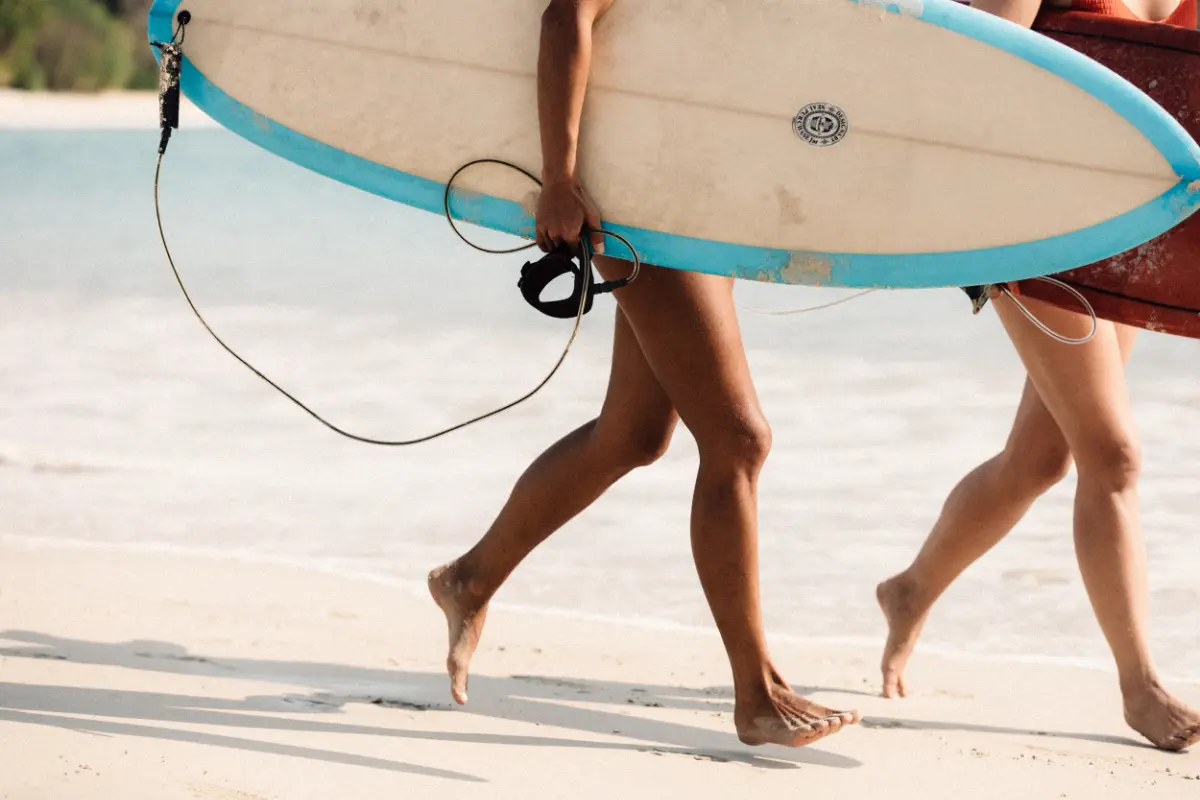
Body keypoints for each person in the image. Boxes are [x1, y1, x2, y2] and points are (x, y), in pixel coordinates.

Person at [427, 0, 859, 748]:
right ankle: (754, 692)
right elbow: (567, 14)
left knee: (633, 433)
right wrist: (558, 176)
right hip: (637, 202)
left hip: (697, 198)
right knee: (739, 439)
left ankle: (469, 578)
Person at [877, 0, 1200, 753]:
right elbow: (962, 72)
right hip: (1032, 227)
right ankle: (1140, 686)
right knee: (1111, 452)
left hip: (1129, 229)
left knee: (1039, 459)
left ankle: (909, 589)